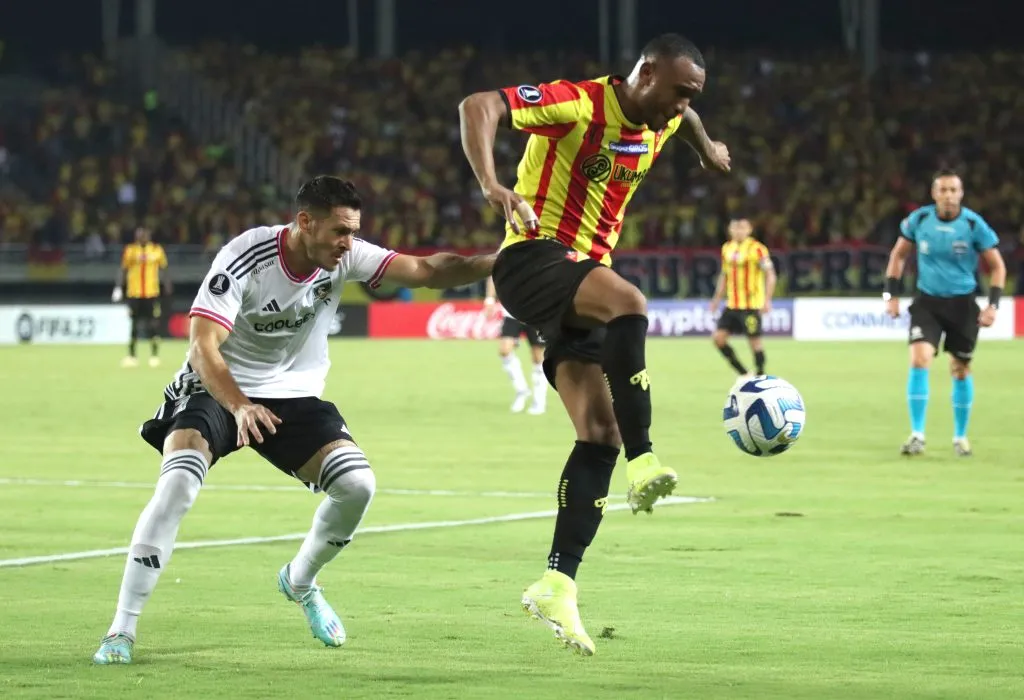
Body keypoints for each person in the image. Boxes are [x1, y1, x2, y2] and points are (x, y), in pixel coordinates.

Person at [93, 176, 495, 665]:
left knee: (359, 486)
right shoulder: (245, 257)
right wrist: (240, 405)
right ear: (305, 222)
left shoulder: (347, 257)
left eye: (353, 233)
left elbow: (429, 269)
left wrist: (503, 260)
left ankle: (300, 579)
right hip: (218, 385)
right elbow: (202, 347)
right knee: (178, 483)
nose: (347, 244)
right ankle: (121, 630)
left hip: (292, 394)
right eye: (339, 231)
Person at [459, 33, 730, 655]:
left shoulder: (666, 117)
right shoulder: (578, 104)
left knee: (596, 432)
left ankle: (556, 582)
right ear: (645, 72)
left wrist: (709, 148)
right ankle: (646, 461)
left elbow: (685, 119)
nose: (684, 104)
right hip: (533, 257)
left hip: (577, 278)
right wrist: (493, 186)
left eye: (693, 95)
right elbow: (479, 105)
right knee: (631, 302)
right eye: (679, 89)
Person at [884, 169, 1006, 457]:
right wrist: (891, 295)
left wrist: (993, 305)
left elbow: (998, 266)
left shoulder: (974, 225)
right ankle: (917, 435)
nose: (949, 196)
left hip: (963, 305)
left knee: (960, 369)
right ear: (934, 194)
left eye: (954, 190)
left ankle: (960, 438)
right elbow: (898, 255)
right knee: (919, 358)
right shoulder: (919, 220)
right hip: (928, 302)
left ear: (961, 194)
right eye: (943, 190)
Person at [709, 212, 776, 376]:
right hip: (732, 304)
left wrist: (767, 300)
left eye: (742, 227)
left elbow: (770, 274)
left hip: (751, 305)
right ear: (730, 229)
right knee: (718, 339)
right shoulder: (727, 248)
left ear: (749, 229)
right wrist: (716, 299)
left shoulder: (758, 249)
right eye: (735, 227)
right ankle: (744, 373)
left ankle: (760, 374)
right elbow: (724, 275)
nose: (738, 231)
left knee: (754, 342)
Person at [484, 276, 547, 414]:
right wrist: (489, 299)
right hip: (512, 313)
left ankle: (539, 399)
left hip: (536, 313)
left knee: (538, 357)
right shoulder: (505, 254)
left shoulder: (542, 255)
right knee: (504, 350)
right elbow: (493, 275)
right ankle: (521, 390)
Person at [113, 227, 171, 368]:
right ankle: (132, 356)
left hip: (151, 293)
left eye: (144, 235)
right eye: (139, 235)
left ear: (149, 236)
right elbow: (123, 269)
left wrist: (167, 286)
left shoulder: (157, 250)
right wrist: (118, 287)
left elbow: (164, 269)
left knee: (153, 325)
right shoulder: (130, 250)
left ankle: (154, 356)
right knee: (134, 325)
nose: (142, 237)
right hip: (134, 293)